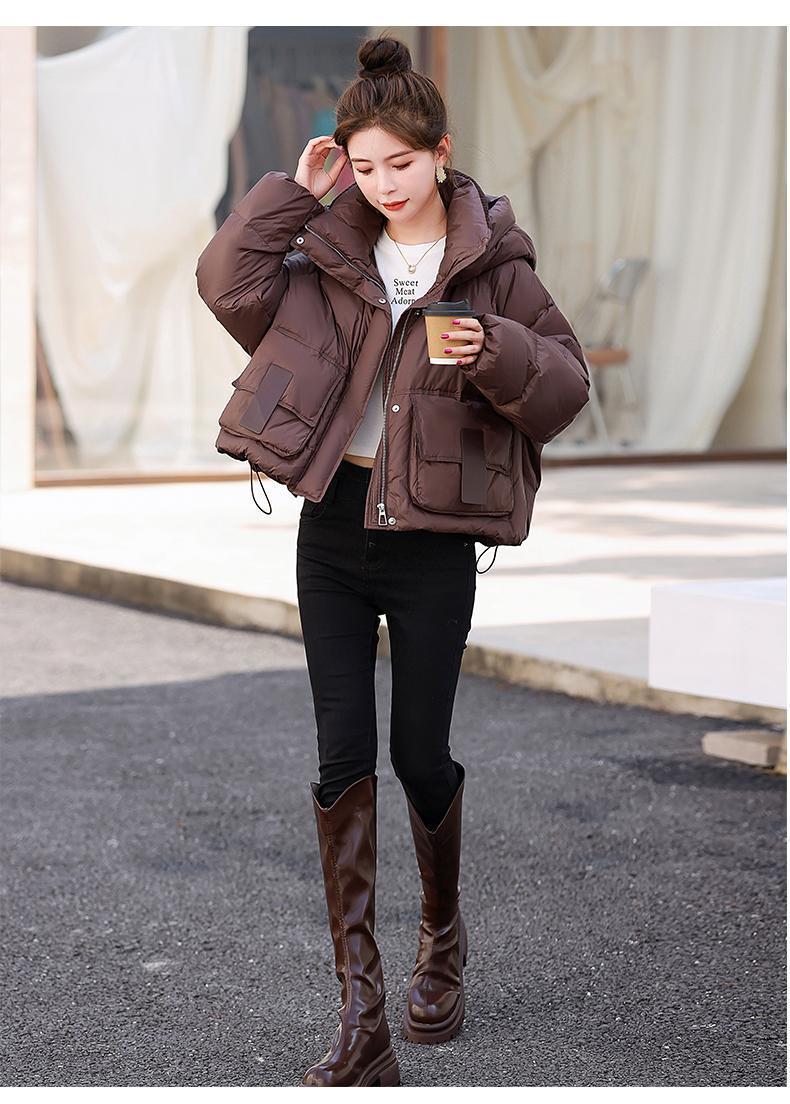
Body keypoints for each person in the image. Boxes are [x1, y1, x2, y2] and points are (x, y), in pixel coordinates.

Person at [195, 32, 590, 1089]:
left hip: (433, 542)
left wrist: (495, 350)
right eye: (364, 167)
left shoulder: (496, 267)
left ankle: (442, 944)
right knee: (340, 760)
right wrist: (293, 193)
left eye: (400, 164)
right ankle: (361, 1015)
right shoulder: (326, 253)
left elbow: (565, 384)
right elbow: (225, 284)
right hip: (333, 532)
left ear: (440, 153)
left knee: (419, 753)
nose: (382, 185)